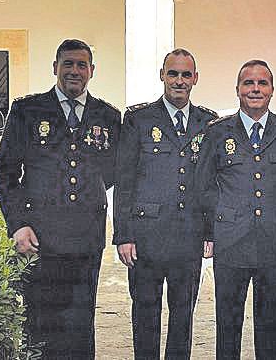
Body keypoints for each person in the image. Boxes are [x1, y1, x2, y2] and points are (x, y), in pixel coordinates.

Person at [0, 39, 121, 359]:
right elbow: (6, 172)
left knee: (81, 324)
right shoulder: (27, 110)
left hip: (85, 239)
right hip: (40, 237)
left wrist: (84, 199)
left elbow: (114, 171)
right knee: (41, 324)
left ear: (92, 71)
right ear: (55, 68)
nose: (74, 71)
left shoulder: (108, 115)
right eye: (68, 64)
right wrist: (19, 225)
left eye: (81, 65)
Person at [196, 60, 276, 360]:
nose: (255, 89)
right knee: (228, 324)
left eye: (262, 83)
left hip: (273, 242)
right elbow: (204, 184)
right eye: (249, 83)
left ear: (272, 90)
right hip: (231, 242)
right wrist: (218, 221)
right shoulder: (219, 131)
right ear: (237, 89)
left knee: (272, 324)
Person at [113, 48, 217, 359]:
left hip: (189, 236)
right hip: (147, 236)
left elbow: (212, 183)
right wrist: (124, 235)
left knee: (183, 314)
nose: (179, 80)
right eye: (173, 73)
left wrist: (210, 232)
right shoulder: (138, 119)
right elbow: (124, 180)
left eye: (186, 74)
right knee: (145, 313)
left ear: (195, 79)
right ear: (162, 76)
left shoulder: (208, 122)